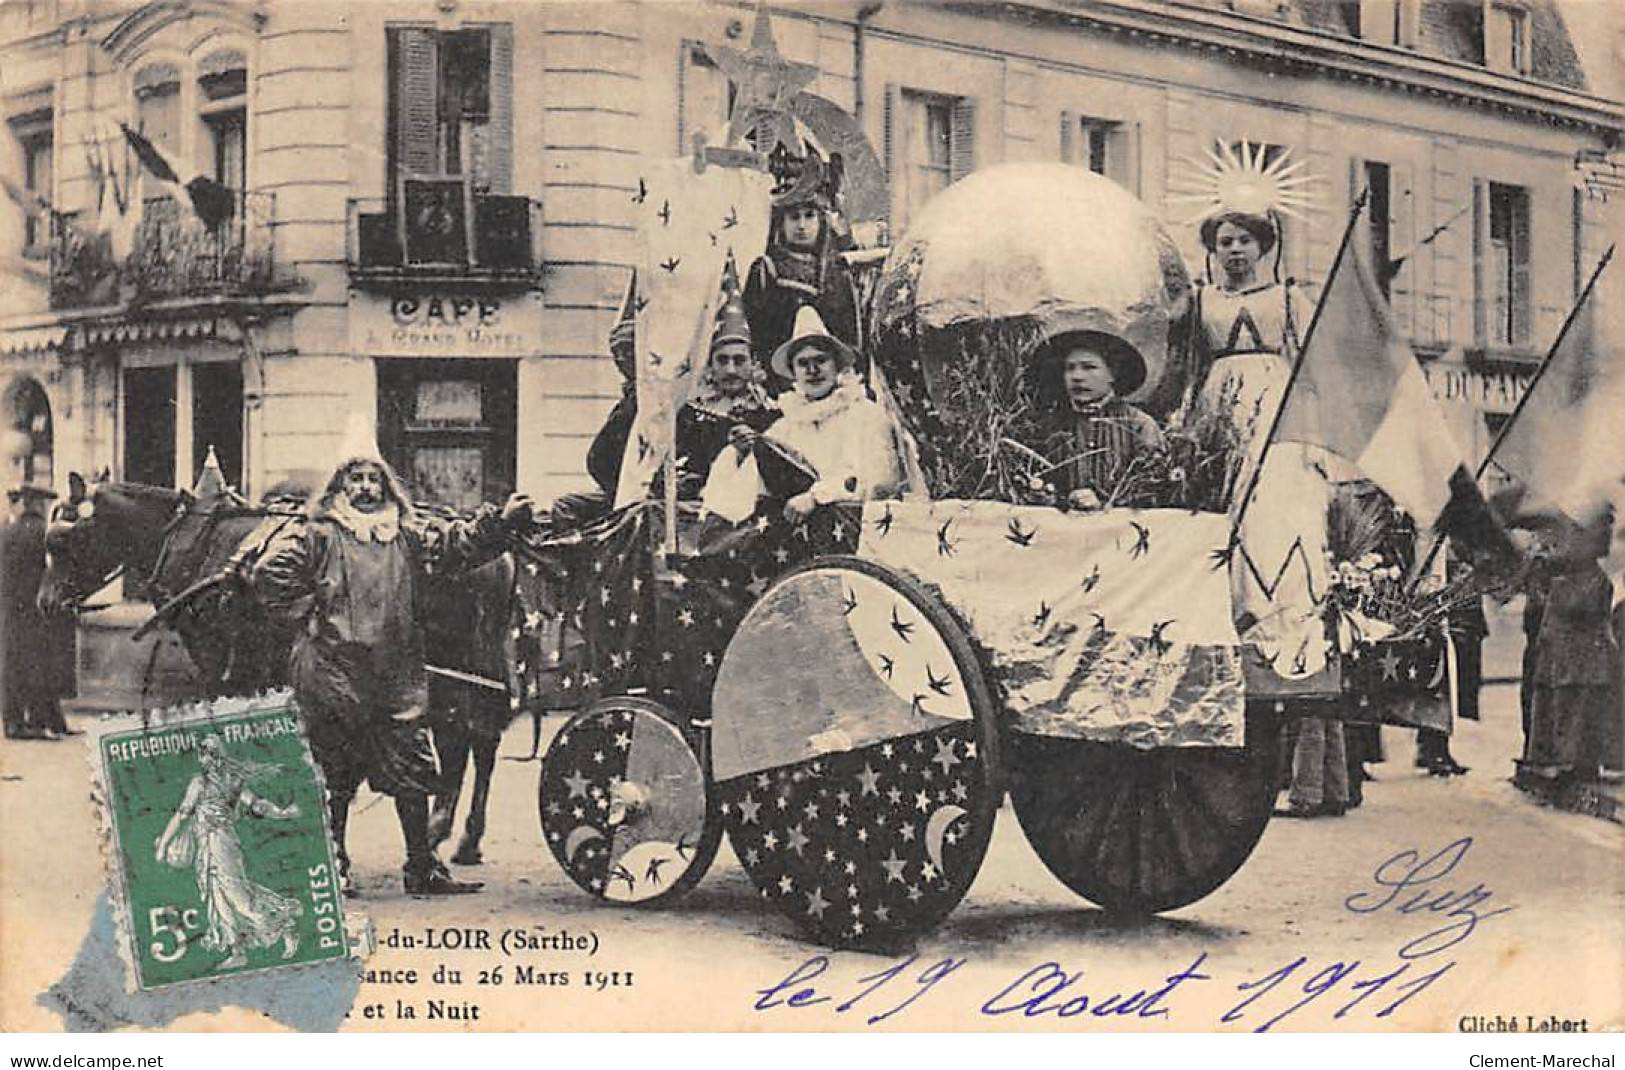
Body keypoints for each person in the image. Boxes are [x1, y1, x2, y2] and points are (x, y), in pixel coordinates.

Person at [253, 434, 533, 896]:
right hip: (334, 674)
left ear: (387, 487)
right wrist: (312, 615)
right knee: (336, 775)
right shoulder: (317, 534)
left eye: (373, 479)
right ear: (339, 488)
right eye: (355, 479)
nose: (365, 488)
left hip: (395, 674)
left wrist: (500, 523)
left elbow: (456, 545)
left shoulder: (404, 535)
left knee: (414, 771)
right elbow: (268, 577)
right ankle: (335, 865)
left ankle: (421, 868)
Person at [710, 306, 908, 521]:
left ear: (837, 366)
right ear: (794, 373)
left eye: (820, 360)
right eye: (803, 364)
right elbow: (748, 489)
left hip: (855, 530)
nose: (812, 370)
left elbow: (880, 481)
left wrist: (816, 497)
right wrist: (741, 454)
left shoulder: (867, 415)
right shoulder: (785, 427)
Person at [153, 734, 303, 970]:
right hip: (210, 846)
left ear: (208, 757)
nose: (204, 759)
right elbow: (257, 805)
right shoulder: (230, 780)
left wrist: (163, 845)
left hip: (220, 843)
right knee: (219, 898)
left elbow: (182, 815)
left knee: (238, 896)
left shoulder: (201, 784)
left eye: (205, 754)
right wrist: (281, 813)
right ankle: (237, 950)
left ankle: (283, 925)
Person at [743, 147, 860, 384]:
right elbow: (757, 337)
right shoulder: (766, 271)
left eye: (809, 216)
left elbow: (852, 337)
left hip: (835, 384)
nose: (802, 226)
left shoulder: (839, 272)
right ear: (781, 223)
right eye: (794, 217)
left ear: (821, 221)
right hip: (780, 384)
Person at [1522, 509, 1617, 785]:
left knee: (1580, 708)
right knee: (1568, 708)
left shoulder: (1588, 576)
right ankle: (1565, 761)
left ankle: (1576, 762)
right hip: (1569, 654)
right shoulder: (1568, 575)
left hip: (1582, 654)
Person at [670, 275, 780, 496]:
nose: (731, 370)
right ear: (709, 365)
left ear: (753, 364)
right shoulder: (689, 412)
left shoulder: (772, 412)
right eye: (722, 360)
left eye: (739, 360)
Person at [1031, 331, 1164, 511]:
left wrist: (1105, 501)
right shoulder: (1049, 426)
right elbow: (1036, 476)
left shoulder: (1139, 424)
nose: (1077, 376)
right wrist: (1049, 497)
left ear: (1112, 374)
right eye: (1070, 368)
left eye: (1089, 367)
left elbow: (1153, 487)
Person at [1, 484, 71, 740]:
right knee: (39, 666)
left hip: (10, 610)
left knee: (13, 665)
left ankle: (15, 723)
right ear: (39, 505)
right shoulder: (44, 533)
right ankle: (40, 722)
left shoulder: (6, 531)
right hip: (35, 610)